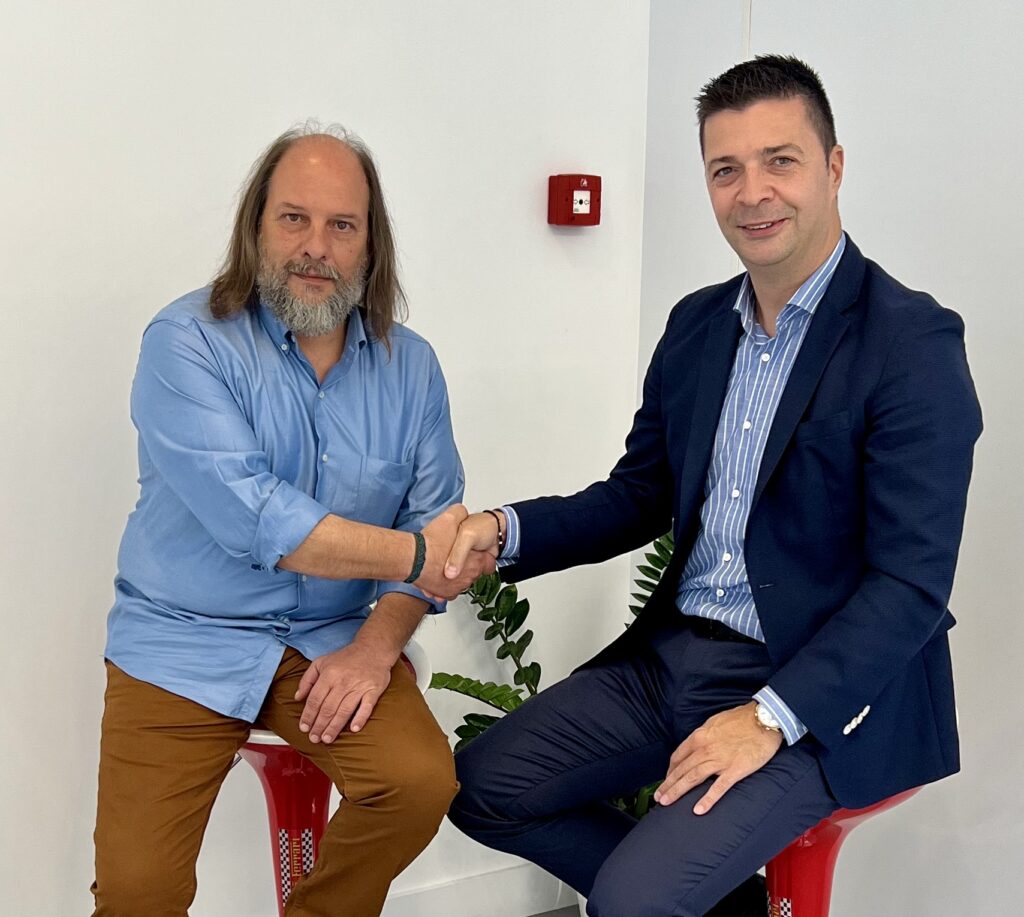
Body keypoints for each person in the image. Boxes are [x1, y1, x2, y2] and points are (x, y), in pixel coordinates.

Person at [443, 56, 982, 916]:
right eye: (725, 169)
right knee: (482, 785)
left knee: (632, 900)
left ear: (834, 167)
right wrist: (505, 531)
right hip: (674, 660)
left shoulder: (911, 342)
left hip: (815, 683)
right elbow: (638, 495)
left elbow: (910, 585)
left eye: (780, 161)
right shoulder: (697, 325)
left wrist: (769, 714)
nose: (752, 192)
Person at [91, 125, 493, 917]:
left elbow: (433, 524)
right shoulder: (185, 343)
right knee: (139, 894)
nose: (316, 247)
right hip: (183, 638)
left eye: (342, 225)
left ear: (371, 244)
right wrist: (418, 555)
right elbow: (263, 521)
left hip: (331, 638)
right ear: (256, 227)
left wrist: (376, 647)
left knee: (418, 783)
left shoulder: (412, 367)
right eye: (294, 219)